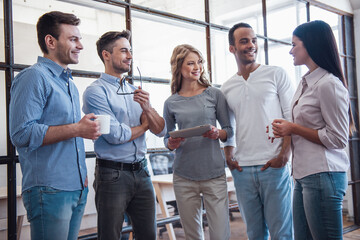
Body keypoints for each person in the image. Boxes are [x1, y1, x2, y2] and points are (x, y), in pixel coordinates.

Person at [9, 11, 100, 240]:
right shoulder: (34, 77)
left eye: (79, 39)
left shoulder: (68, 82)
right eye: (73, 39)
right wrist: (78, 129)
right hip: (49, 191)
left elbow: (68, 134)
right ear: (50, 41)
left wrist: (80, 176)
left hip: (76, 188)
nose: (80, 45)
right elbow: (21, 133)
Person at [273, 20, 355, 240]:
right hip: (303, 175)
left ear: (310, 45)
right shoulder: (305, 82)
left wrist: (293, 128)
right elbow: (305, 126)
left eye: (294, 44)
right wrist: (287, 129)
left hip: (323, 175)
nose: (290, 51)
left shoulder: (329, 84)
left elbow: (338, 139)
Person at [82, 30, 165, 240]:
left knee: (148, 236)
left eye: (130, 51)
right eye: (124, 51)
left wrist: (147, 108)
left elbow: (161, 129)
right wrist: (144, 126)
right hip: (113, 176)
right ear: (106, 55)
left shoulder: (135, 90)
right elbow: (114, 136)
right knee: (110, 236)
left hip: (143, 172)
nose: (129, 56)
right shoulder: (95, 92)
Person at [221, 23, 295, 240]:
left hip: (273, 166)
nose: (251, 45)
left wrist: (284, 155)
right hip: (242, 170)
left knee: (281, 233)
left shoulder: (276, 74)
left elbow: (291, 116)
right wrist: (228, 155)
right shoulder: (226, 87)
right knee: (254, 234)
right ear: (232, 48)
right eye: (244, 41)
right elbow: (229, 127)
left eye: (254, 40)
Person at [163, 44, 234, 240]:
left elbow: (229, 131)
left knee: (220, 235)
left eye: (199, 62)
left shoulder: (214, 94)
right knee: (193, 235)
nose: (197, 67)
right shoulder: (171, 102)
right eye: (191, 63)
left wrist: (217, 133)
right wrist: (171, 143)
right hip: (184, 176)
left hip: (214, 173)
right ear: (179, 67)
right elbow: (166, 138)